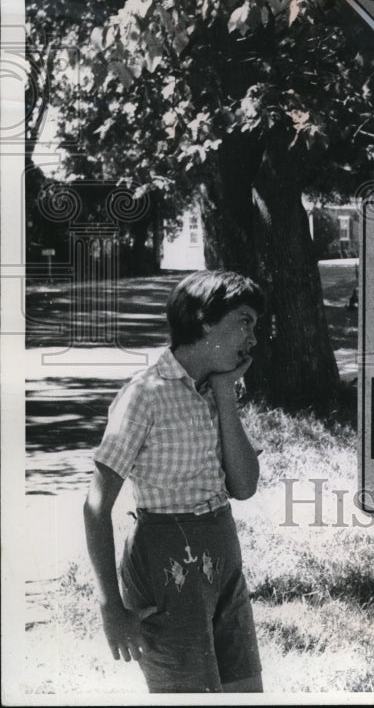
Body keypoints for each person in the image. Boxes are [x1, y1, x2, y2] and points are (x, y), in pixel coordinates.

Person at [83, 270, 266, 694]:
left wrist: (225, 395)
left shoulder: (214, 390)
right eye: (244, 321)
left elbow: (243, 486)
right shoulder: (145, 394)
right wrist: (111, 606)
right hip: (168, 566)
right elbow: (95, 506)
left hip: (223, 557)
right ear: (204, 319)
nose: (253, 339)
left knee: (247, 690)